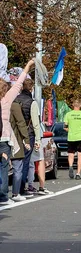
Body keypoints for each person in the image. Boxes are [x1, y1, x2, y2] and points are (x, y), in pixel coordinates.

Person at [0, 59, 34, 205]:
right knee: (3, 167)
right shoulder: (7, 100)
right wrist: (28, 65)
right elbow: (19, 83)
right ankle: (2, 196)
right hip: (4, 138)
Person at [64, 99, 81, 180]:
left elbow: (65, 127)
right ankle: (78, 173)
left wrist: (71, 130)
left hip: (71, 137)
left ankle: (71, 166)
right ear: (80, 105)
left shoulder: (68, 114)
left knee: (71, 154)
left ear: (73, 105)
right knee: (80, 155)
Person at [10, 98, 31, 201]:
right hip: (13, 140)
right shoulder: (14, 105)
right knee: (17, 167)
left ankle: (3, 194)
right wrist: (26, 139)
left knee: (3, 168)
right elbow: (21, 123)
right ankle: (15, 193)